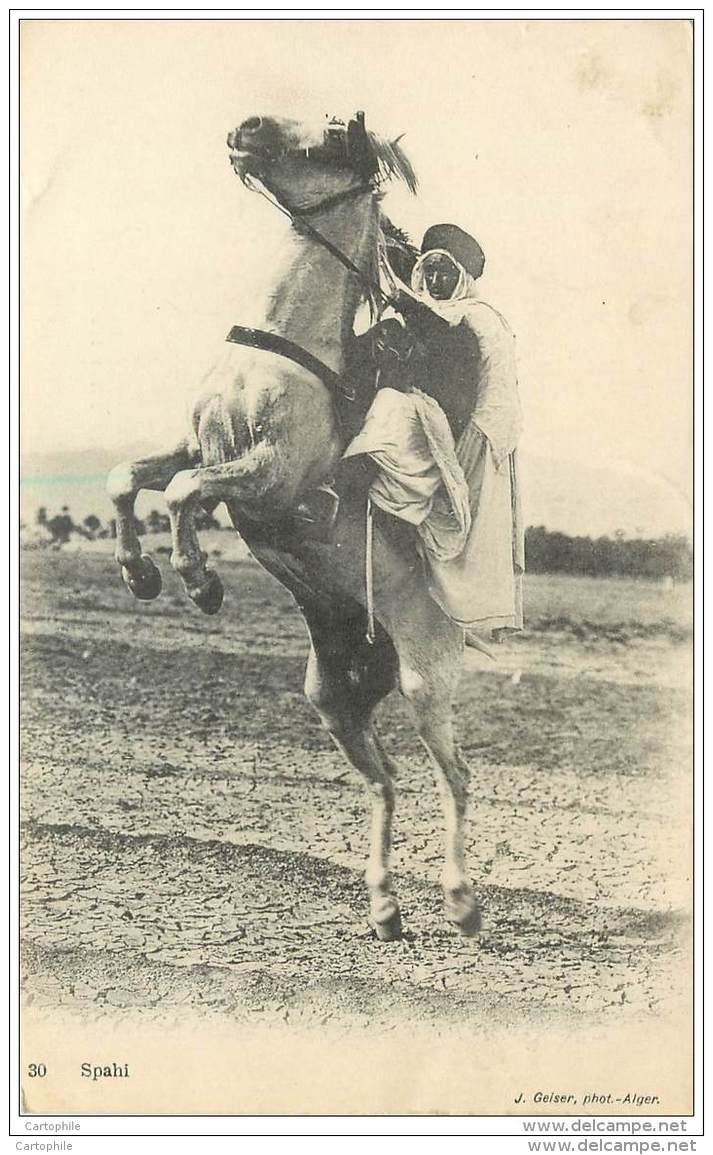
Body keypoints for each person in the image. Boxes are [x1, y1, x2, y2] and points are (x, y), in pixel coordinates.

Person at [345, 223, 524, 639]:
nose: (436, 281)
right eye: (430, 271)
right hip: (487, 426)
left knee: (461, 524)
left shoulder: (466, 316)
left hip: (477, 429)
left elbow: (441, 349)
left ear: (462, 279)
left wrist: (396, 293)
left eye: (446, 273)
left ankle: (451, 606)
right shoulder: (476, 315)